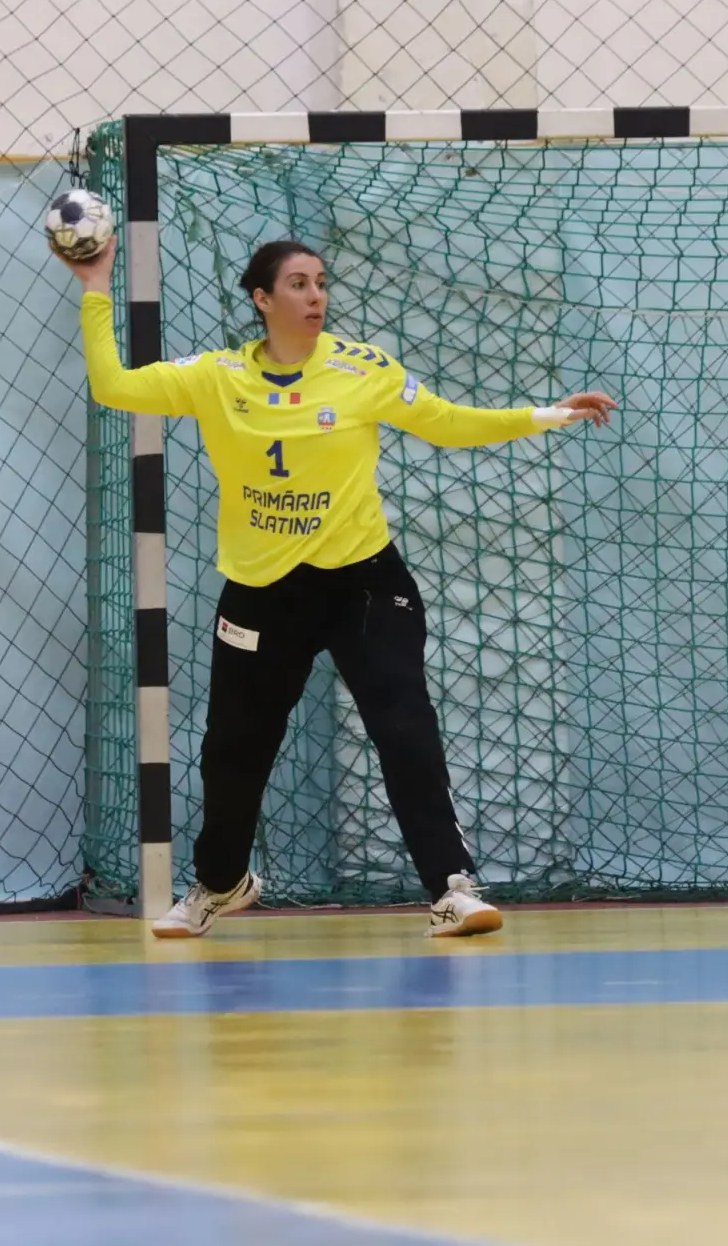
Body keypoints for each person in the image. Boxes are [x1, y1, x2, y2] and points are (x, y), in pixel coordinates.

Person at [61, 235, 615, 938]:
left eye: (320, 282)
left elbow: (446, 423)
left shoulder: (363, 369)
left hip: (363, 582)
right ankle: (220, 884)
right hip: (262, 591)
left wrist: (546, 414)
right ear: (262, 299)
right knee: (233, 750)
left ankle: (452, 889)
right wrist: (96, 286)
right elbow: (113, 384)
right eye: (298, 284)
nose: (315, 295)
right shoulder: (215, 376)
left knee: (404, 724)